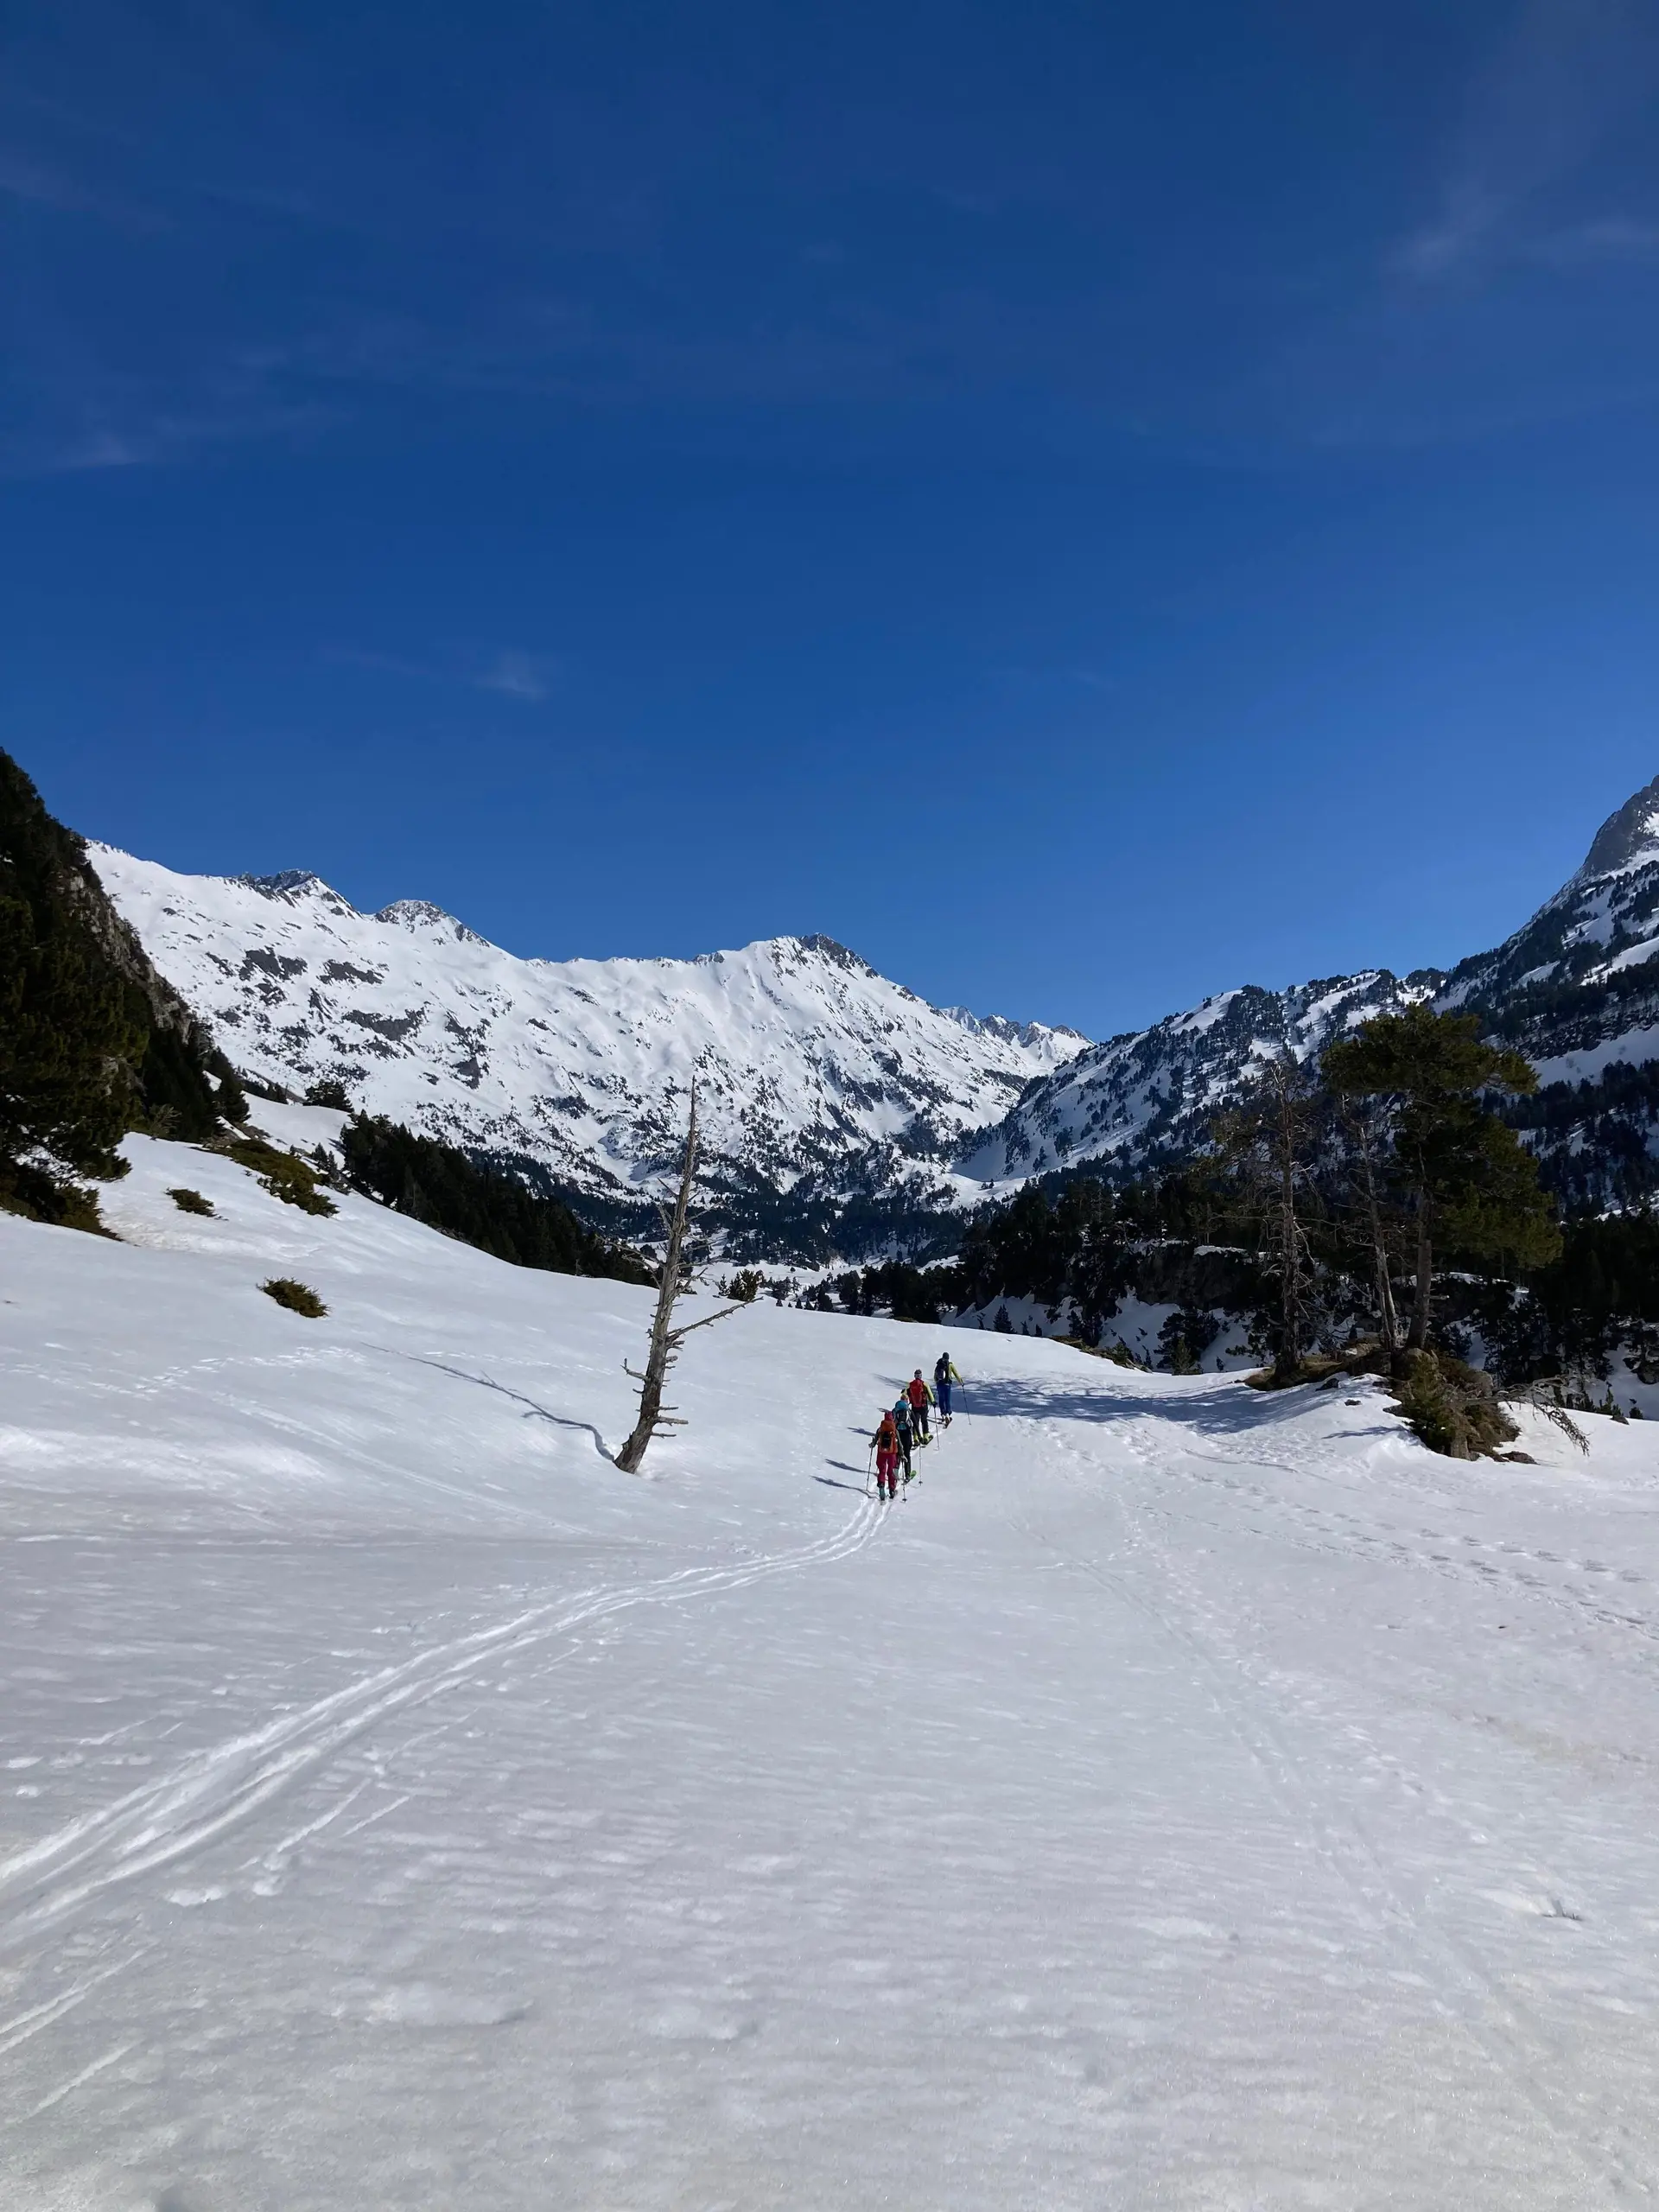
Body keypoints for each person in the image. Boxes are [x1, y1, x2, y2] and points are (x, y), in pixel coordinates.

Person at [872, 1409, 899, 1500]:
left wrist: (872, 1445)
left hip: (881, 1452)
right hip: (892, 1453)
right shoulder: (894, 1429)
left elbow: (875, 1441)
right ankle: (892, 1489)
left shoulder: (880, 1429)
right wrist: (902, 1453)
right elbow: (899, 1442)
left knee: (882, 1469)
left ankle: (881, 1485)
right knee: (891, 1471)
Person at [891, 1395, 915, 1485]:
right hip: (907, 1434)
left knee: (897, 1454)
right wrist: (919, 1436)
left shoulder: (895, 1410)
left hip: (898, 1434)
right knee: (907, 1454)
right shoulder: (908, 1410)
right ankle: (907, 1475)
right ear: (906, 1401)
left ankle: (895, 1473)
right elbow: (915, 1423)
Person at [906, 1369, 935, 1444]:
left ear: (915, 1376)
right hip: (923, 1405)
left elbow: (905, 1394)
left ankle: (916, 1438)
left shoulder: (910, 1384)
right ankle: (925, 1437)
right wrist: (933, 1401)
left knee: (916, 1422)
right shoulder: (924, 1384)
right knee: (924, 1421)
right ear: (921, 1376)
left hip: (914, 1406)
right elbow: (929, 1393)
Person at [934, 1352, 962, 1427]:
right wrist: (961, 1382)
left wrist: (937, 1382)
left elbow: (935, 1376)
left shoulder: (939, 1364)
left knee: (941, 1399)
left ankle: (942, 1414)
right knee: (947, 1399)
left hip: (940, 1385)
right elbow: (956, 1374)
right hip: (947, 1385)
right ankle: (947, 1414)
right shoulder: (950, 1365)